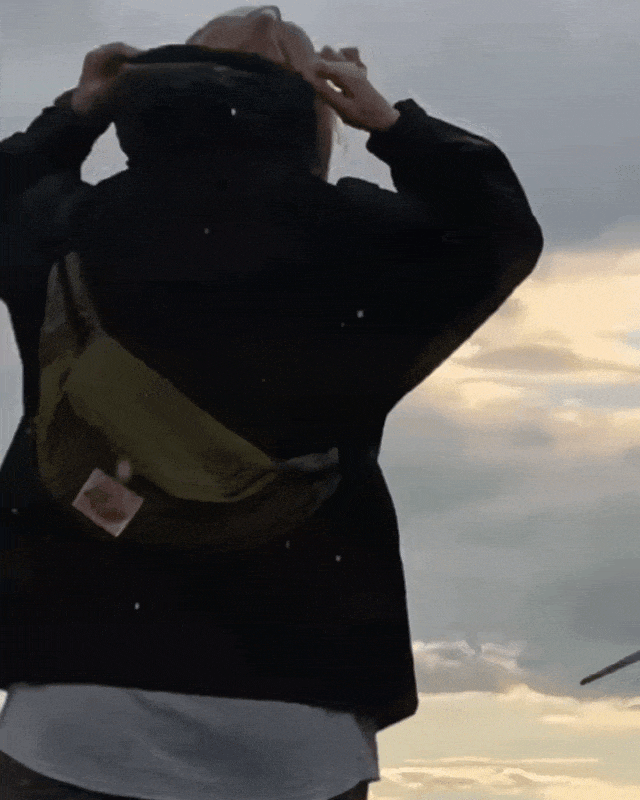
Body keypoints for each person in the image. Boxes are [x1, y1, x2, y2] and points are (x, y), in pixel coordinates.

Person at [0, 6, 543, 800]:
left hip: (74, 700)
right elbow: (496, 230)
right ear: (310, 110)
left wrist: (74, 114)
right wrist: (395, 125)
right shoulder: (361, 241)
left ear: (149, 96)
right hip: (301, 712)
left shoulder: (66, 228)